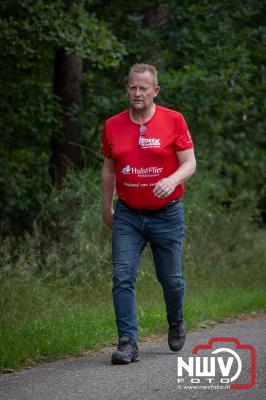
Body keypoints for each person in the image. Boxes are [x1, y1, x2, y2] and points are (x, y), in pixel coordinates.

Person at [101, 63, 196, 365]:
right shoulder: (113, 125)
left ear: (155, 90)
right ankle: (128, 343)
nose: (137, 92)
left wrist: (172, 180)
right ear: (126, 89)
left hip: (167, 215)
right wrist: (107, 206)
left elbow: (190, 162)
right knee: (122, 277)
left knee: (170, 279)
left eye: (144, 87)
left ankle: (176, 319)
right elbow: (108, 169)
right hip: (128, 215)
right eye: (132, 87)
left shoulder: (174, 120)